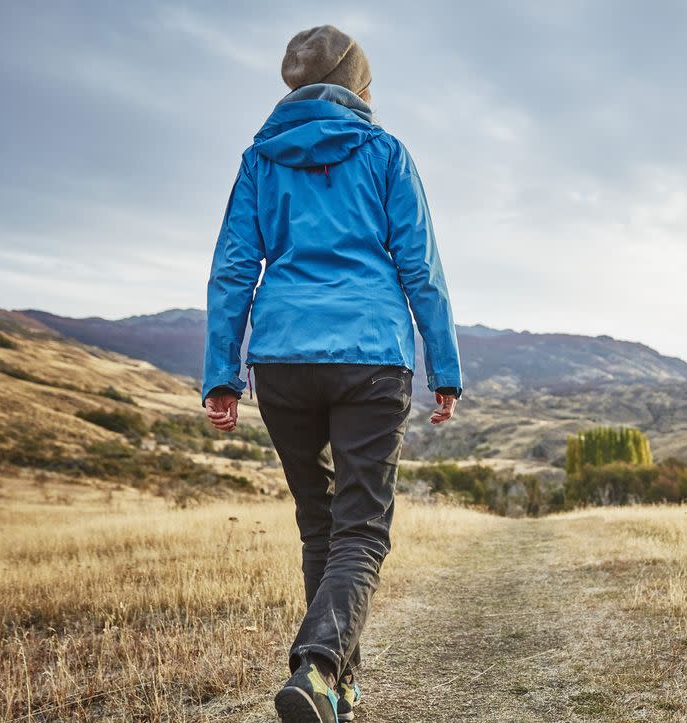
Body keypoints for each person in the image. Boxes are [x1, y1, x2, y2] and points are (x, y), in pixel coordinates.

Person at [201, 25, 463, 723]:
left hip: (283, 359)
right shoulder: (384, 153)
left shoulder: (261, 158)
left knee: (320, 524)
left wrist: (221, 373)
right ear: (359, 85)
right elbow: (421, 269)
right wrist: (446, 364)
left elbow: (233, 268)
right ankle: (318, 666)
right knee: (362, 528)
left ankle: (336, 687)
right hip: (371, 356)